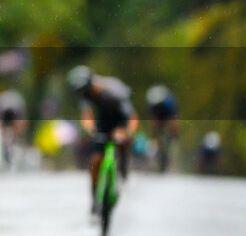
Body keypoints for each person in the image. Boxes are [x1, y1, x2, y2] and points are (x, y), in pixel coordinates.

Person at [67, 66, 139, 214]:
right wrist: (89, 128)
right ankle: (94, 201)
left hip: (120, 119)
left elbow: (132, 116)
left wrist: (128, 132)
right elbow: (87, 114)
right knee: (95, 161)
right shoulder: (86, 94)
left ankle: (123, 171)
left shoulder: (114, 91)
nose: (83, 95)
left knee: (122, 142)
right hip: (103, 122)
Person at [145, 84, 179, 172]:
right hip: (158, 114)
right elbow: (153, 118)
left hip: (168, 113)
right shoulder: (152, 102)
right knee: (156, 130)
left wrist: (174, 131)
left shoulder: (169, 101)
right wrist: (154, 133)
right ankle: (157, 151)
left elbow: (173, 117)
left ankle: (171, 158)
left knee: (172, 130)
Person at [0, 89, 28, 168]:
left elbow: (21, 120)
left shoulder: (12, 101)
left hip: (11, 112)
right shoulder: (5, 101)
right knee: (5, 135)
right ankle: (7, 151)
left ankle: (16, 149)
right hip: (6, 112)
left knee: (14, 135)